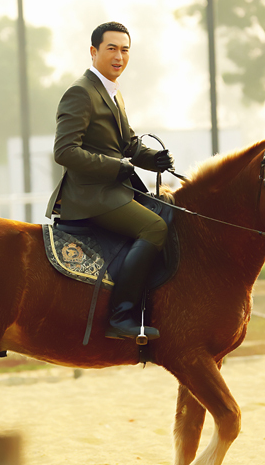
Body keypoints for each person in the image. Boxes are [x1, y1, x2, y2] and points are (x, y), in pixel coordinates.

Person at [45, 21, 174, 341]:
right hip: (90, 196)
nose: (119, 56)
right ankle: (121, 314)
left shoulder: (113, 93)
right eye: (112, 49)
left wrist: (152, 159)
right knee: (154, 227)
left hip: (113, 189)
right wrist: (113, 167)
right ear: (94, 52)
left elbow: (128, 146)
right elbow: (64, 151)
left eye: (125, 50)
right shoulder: (81, 92)